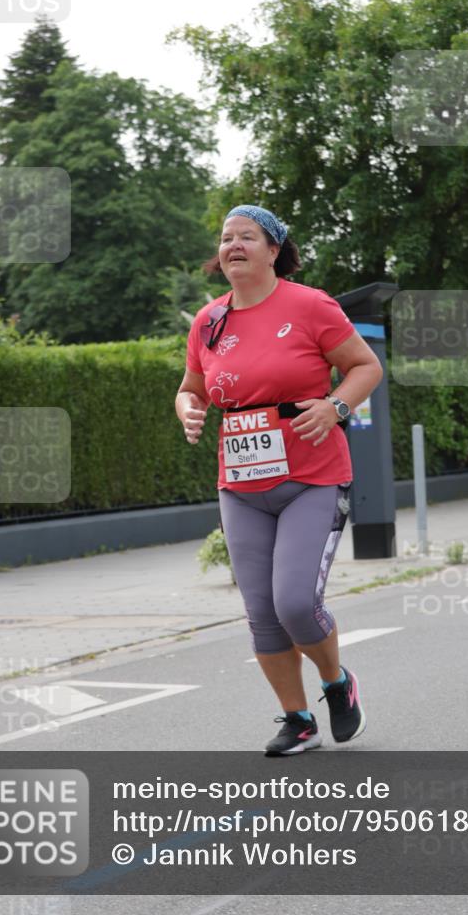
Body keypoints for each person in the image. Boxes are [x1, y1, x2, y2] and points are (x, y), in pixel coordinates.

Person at [175, 204, 384, 756]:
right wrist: (187, 407)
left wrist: (336, 407)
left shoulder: (310, 305)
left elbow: (366, 367)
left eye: (248, 236)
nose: (234, 245)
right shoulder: (210, 321)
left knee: (295, 604)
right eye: (226, 238)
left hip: (312, 476)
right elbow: (191, 386)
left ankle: (337, 684)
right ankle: (298, 721)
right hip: (241, 486)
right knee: (263, 616)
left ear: (274, 250)